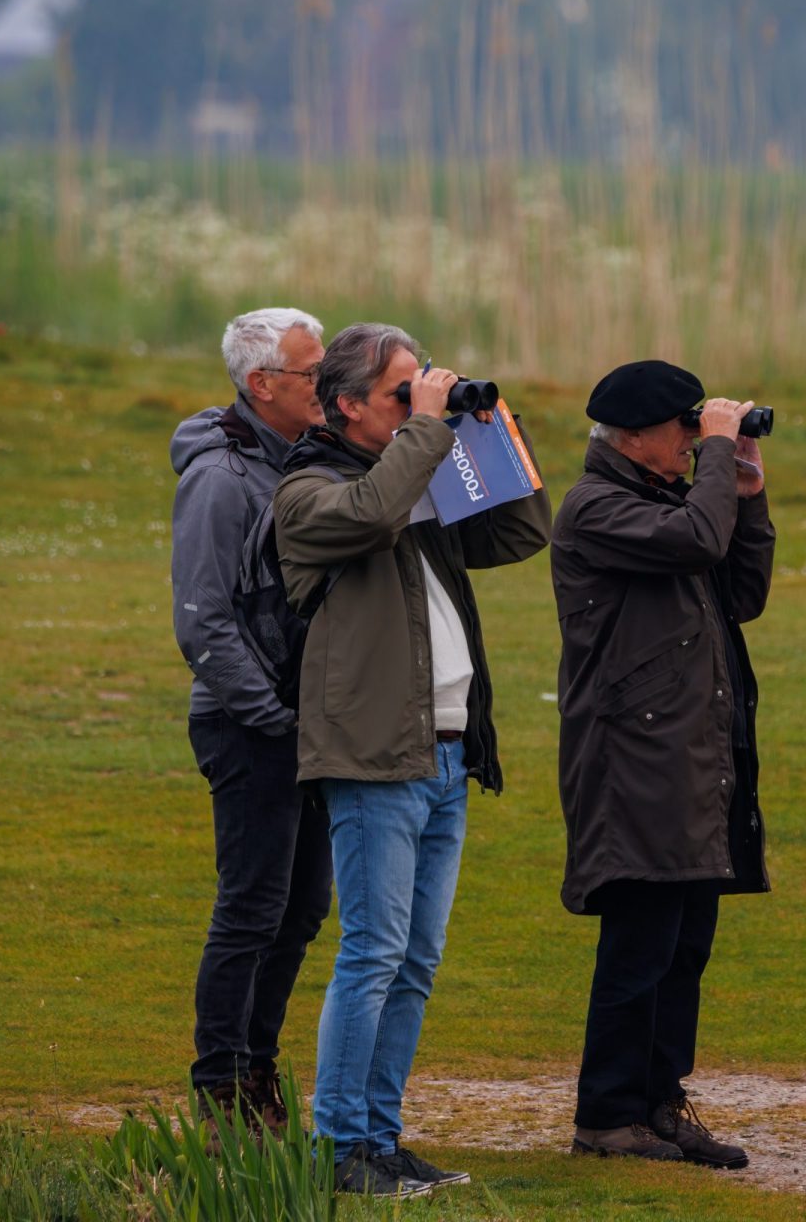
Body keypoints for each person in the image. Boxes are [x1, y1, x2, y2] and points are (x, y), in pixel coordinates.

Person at [271, 323, 551, 1197]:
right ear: (347, 404)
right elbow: (372, 514)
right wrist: (429, 434)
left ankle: (380, 1141)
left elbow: (519, 534)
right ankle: (339, 1149)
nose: (417, 403)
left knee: (415, 960)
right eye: (402, 392)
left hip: (444, 753)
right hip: (371, 756)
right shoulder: (310, 493)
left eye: (420, 388)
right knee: (373, 953)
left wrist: (488, 427)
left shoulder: (415, 483)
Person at [551, 359, 775, 1169]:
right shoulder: (595, 508)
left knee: (684, 943)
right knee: (640, 942)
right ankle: (608, 1115)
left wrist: (746, 490)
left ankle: (656, 1100)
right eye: (686, 428)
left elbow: (740, 588)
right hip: (634, 760)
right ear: (636, 435)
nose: (693, 440)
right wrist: (717, 464)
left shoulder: (667, 500)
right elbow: (696, 541)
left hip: (687, 755)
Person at [169, 307, 330, 1138]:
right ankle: (221, 1089)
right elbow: (203, 620)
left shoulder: (294, 458)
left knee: (303, 908)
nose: (325, 384)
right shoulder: (221, 478)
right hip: (251, 727)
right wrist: (272, 716)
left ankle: (256, 1068)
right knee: (251, 908)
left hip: (302, 727)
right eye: (311, 374)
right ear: (262, 385)